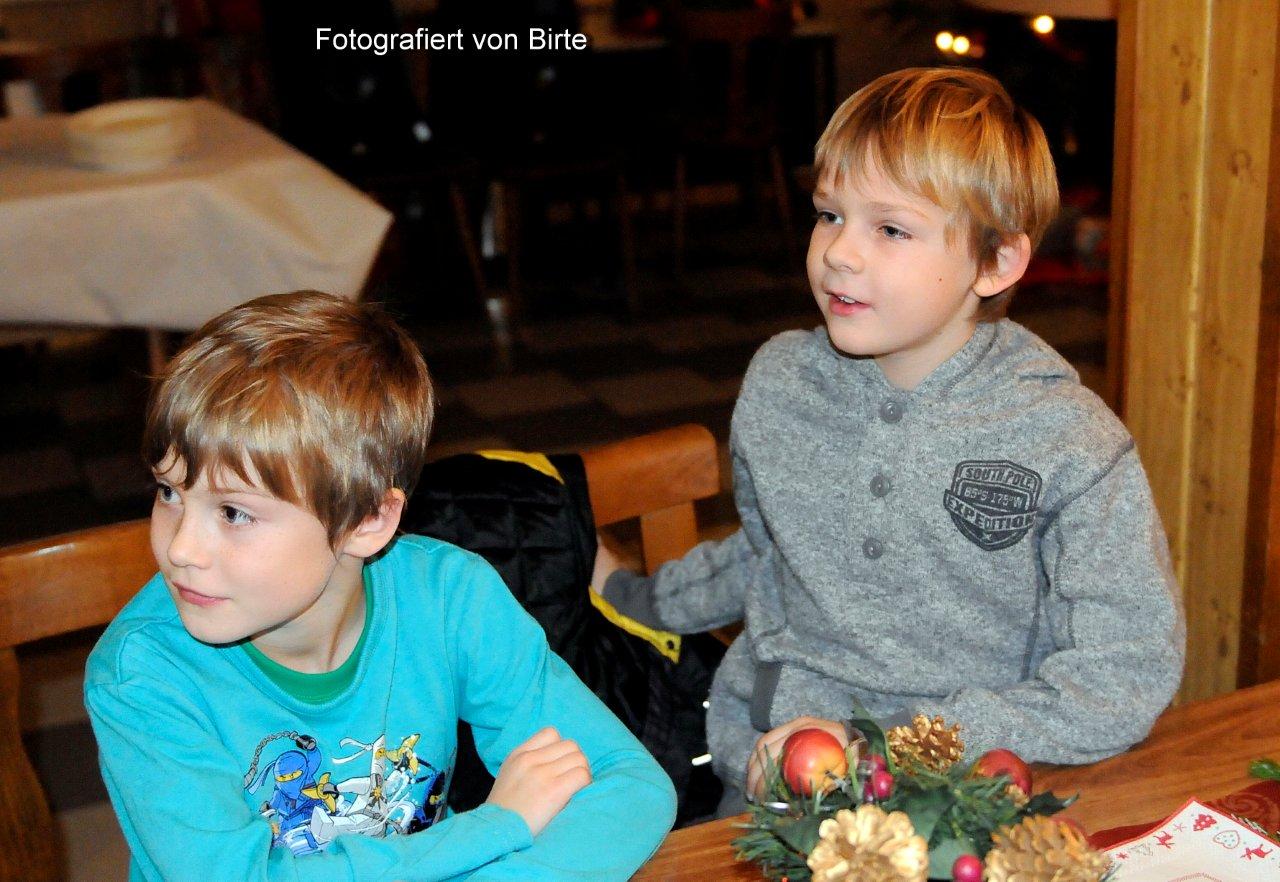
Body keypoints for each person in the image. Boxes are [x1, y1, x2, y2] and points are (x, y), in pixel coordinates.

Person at [592, 67, 1185, 815]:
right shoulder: (779, 384)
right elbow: (770, 555)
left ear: (997, 261)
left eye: (891, 229)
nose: (840, 252)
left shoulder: (1069, 441)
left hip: (968, 796)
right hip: (772, 779)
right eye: (829, 214)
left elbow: (1123, 675)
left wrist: (893, 748)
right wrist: (635, 597)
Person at [86, 291, 676, 880]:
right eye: (168, 492)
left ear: (368, 520)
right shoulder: (142, 674)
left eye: (234, 513)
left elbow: (627, 783)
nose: (180, 549)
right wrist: (495, 827)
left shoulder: (448, 599)